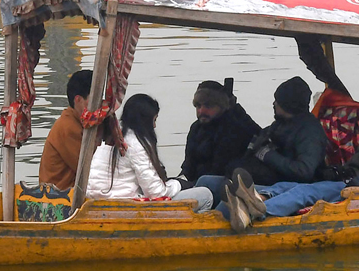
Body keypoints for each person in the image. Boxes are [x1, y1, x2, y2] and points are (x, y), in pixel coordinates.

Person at [192, 76, 327, 230]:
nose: (274, 104)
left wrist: (267, 154)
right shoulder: (280, 124)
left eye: (278, 101)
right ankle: (188, 216)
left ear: (288, 105)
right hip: (263, 177)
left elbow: (304, 171)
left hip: (283, 184)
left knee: (227, 201)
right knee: (205, 182)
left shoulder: (310, 132)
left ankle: (207, 230)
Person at [86, 94, 214, 210]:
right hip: (126, 207)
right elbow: (156, 193)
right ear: (145, 121)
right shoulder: (135, 143)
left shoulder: (108, 138)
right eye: (154, 120)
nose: (154, 126)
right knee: (205, 195)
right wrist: (178, 184)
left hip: (101, 203)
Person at [178, 79, 260, 185]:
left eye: (208, 106)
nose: (201, 111)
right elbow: (188, 166)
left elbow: (220, 169)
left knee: (205, 181)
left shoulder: (234, 127)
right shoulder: (196, 128)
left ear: (222, 106)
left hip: (223, 183)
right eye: (198, 106)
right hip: (198, 183)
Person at [40, 69, 93, 190]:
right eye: (93, 101)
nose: (99, 106)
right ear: (78, 100)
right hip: (57, 199)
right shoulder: (68, 127)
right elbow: (87, 170)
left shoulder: (77, 122)